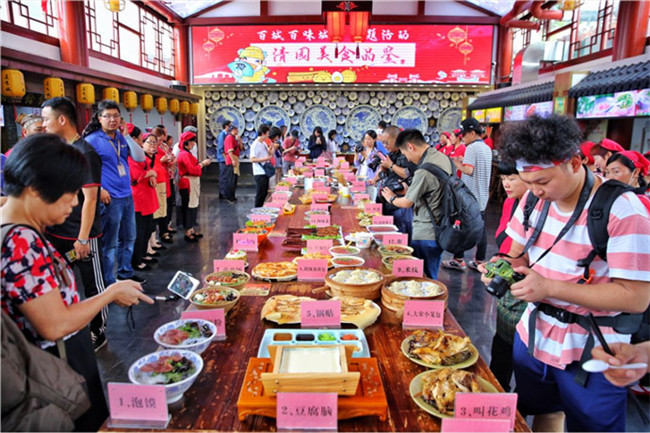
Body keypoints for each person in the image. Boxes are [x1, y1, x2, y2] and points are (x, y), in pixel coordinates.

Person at [481, 114, 650, 432]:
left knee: (590, 426)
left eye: (543, 182)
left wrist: (550, 288)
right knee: (543, 412)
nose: (535, 191)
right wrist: (498, 268)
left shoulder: (623, 211)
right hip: (533, 336)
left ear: (574, 163)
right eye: (529, 182)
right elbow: (515, 254)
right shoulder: (532, 200)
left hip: (592, 349)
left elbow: (636, 297)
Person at [1, 135, 153, 431]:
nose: (75, 201)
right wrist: (109, 293)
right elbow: (54, 325)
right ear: (35, 189)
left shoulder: (12, 223)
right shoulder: (21, 242)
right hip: (52, 368)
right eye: (70, 192)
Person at [40, 97, 110, 351]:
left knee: (93, 285)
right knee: (60, 282)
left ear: (62, 119)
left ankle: (98, 331)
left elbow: (90, 199)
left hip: (81, 236)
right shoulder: (61, 150)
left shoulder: (85, 153)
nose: (43, 125)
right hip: (57, 234)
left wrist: (83, 238)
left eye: (46, 119)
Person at [83, 100, 146, 285]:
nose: (112, 120)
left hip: (127, 195)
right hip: (109, 198)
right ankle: (109, 281)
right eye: (108, 116)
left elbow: (140, 157)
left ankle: (125, 272)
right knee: (110, 243)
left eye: (116, 116)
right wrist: (100, 189)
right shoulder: (92, 141)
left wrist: (127, 137)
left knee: (129, 237)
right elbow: (84, 169)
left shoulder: (120, 138)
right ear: (99, 118)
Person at [380, 129, 452, 280]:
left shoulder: (424, 170)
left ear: (411, 147)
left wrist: (390, 198)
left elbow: (407, 202)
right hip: (443, 226)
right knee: (431, 272)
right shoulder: (442, 158)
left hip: (426, 231)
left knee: (422, 278)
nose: (408, 159)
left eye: (405, 154)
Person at [488, 162, 529, 392]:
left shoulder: (538, 207)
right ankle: (497, 392)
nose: (506, 184)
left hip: (527, 289)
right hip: (507, 283)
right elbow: (509, 249)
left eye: (512, 178)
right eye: (503, 178)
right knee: (502, 347)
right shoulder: (510, 203)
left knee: (523, 356)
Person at [443, 118, 491, 272]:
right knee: (480, 229)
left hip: (470, 196)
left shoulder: (471, 148)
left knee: (462, 227)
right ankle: (479, 260)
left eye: (464, 134)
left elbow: (469, 170)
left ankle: (458, 259)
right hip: (482, 194)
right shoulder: (486, 148)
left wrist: (457, 164)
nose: (462, 137)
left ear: (472, 133)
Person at [373, 125, 416, 239]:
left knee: (400, 235)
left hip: (401, 203)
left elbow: (409, 174)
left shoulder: (408, 153)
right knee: (387, 234)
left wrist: (391, 165)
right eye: (383, 143)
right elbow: (386, 172)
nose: (385, 146)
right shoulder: (392, 154)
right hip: (388, 201)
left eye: (386, 142)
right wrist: (378, 175)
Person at [129, 133, 160, 271]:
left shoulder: (141, 156)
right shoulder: (131, 156)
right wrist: (151, 173)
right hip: (139, 199)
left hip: (147, 197)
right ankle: (136, 260)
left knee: (147, 229)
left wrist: (152, 174)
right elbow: (135, 177)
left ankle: (143, 254)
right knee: (139, 231)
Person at [177, 131, 211, 242]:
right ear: (187, 142)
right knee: (189, 206)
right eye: (192, 141)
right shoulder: (184, 154)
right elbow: (192, 169)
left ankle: (191, 228)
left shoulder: (186, 153)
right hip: (188, 182)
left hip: (191, 181)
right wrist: (202, 164)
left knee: (193, 205)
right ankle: (188, 230)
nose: (193, 144)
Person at [355, 130, 381, 201]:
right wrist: (356, 153)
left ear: (374, 139)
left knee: (370, 201)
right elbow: (357, 164)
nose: (367, 141)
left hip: (370, 180)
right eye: (366, 139)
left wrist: (366, 156)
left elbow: (372, 167)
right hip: (360, 178)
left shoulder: (376, 152)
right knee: (360, 201)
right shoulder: (364, 150)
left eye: (369, 139)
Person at [251, 124, 273, 208]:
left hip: (265, 171)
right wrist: (265, 159)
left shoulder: (263, 143)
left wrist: (270, 149)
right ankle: (257, 210)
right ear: (263, 134)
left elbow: (268, 153)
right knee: (260, 193)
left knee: (264, 192)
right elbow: (252, 159)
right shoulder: (255, 144)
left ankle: (260, 209)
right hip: (259, 172)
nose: (268, 136)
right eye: (267, 134)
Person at [223, 124, 241, 204]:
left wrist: (239, 140)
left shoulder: (234, 138)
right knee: (231, 179)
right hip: (231, 160)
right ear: (232, 130)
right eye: (236, 129)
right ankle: (230, 197)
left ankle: (232, 196)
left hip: (234, 158)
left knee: (234, 179)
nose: (237, 131)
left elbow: (240, 148)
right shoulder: (229, 137)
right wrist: (233, 160)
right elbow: (230, 150)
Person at [216, 120, 231, 200]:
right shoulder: (222, 135)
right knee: (223, 176)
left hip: (226, 158)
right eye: (230, 126)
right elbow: (220, 147)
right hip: (223, 159)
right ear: (226, 126)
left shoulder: (227, 135)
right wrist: (225, 157)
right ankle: (222, 193)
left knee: (226, 176)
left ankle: (225, 192)